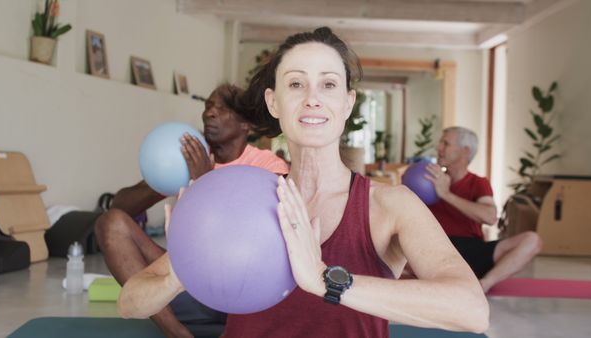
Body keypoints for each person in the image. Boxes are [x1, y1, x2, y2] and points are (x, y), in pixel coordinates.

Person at [118, 27, 489, 337]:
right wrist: (183, 270)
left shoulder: (390, 205)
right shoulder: (239, 197)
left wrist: (325, 280)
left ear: (347, 103)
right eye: (296, 84)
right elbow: (130, 303)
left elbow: (471, 310)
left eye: (328, 85)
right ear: (274, 102)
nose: (312, 98)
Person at [95, 83, 289, 338]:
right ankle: (177, 333)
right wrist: (165, 180)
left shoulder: (266, 164)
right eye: (208, 106)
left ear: (245, 124)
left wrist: (204, 180)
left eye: (223, 108)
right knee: (110, 223)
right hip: (185, 284)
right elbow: (121, 205)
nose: (210, 113)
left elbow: (263, 238)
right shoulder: (189, 159)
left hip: (243, 293)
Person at [425, 126, 542, 292]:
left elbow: (490, 217)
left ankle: (484, 284)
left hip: (471, 251)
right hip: (434, 249)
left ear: (465, 151)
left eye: (446, 143)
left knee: (532, 240)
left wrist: (446, 194)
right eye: (440, 143)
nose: (439, 148)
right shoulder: (429, 180)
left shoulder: (478, 183)